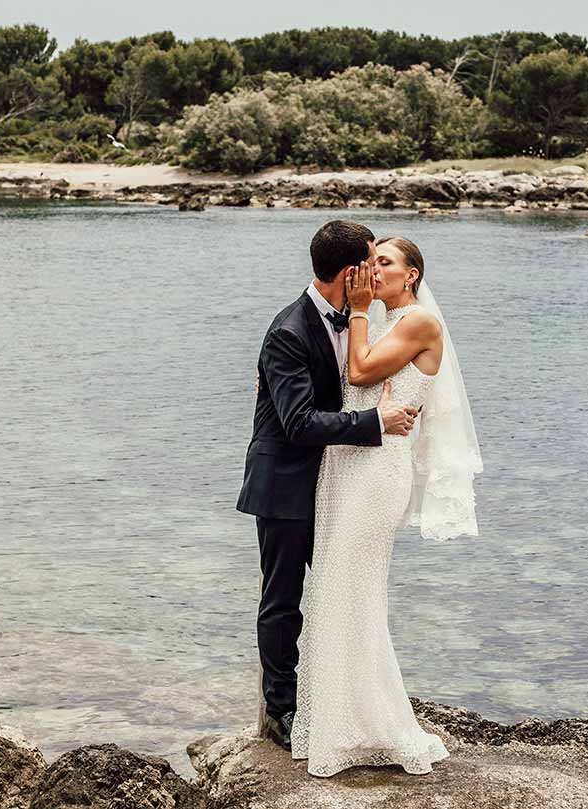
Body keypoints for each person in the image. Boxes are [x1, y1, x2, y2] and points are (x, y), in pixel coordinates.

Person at [290, 236, 482, 777]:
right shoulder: (381, 321)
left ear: (411, 275)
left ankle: (382, 724)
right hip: (345, 466)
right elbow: (343, 385)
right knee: (334, 589)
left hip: (377, 472)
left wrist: (355, 312)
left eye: (385, 262)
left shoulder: (418, 323)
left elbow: (359, 373)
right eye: (370, 261)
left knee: (355, 591)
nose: (372, 270)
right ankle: (340, 721)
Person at [236, 220, 419, 752]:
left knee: (343, 594)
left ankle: (343, 701)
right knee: (283, 601)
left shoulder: (368, 320)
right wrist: (376, 425)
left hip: (339, 484)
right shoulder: (289, 331)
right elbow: (297, 424)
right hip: (287, 484)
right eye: (369, 262)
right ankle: (279, 711)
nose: (375, 271)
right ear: (350, 272)